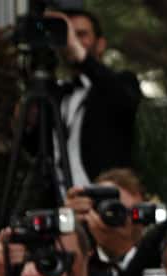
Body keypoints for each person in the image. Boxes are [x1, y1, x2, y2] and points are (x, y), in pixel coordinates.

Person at [42, 9, 141, 186]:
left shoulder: (121, 81)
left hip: (103, 194)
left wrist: (79, 53)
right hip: (62, 198)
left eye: (81, 34)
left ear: (101, 44)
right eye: (68, 35)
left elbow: (124, 99)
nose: (72, 41)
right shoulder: (58, 94)